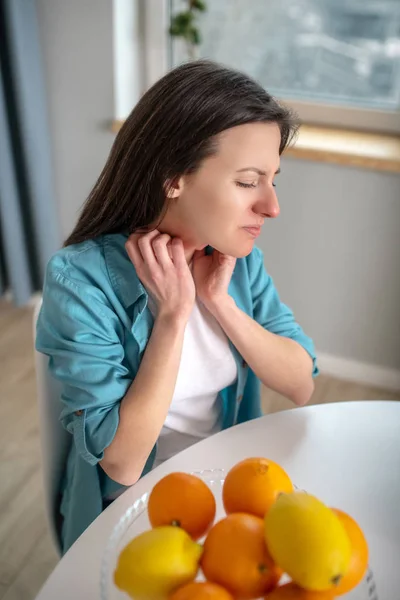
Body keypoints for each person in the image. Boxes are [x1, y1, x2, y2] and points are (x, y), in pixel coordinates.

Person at [36, 59, 318, 553]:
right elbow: (123, 462)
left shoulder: (234, 261)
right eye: (249, 180)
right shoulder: (81, 280)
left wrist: (219, 303)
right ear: (173, 177)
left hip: (228, 490)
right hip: (130, 515)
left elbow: (301, 383)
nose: (271, 206)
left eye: (274, 180)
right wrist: (173, 315)